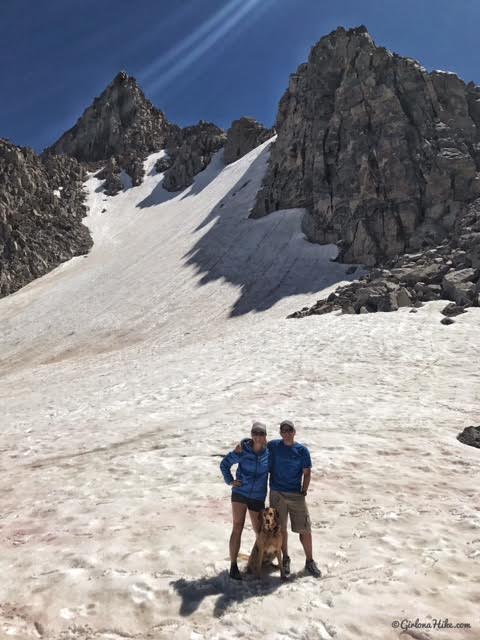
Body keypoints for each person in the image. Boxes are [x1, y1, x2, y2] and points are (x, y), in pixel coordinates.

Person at [268, 420, 321, 578]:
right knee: (281, 529)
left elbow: (307, 473)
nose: (287, 432)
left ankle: (310, 561)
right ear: (280, 432)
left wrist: (303, 491)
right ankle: (285, 559)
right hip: (277, 493)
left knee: (305, 528)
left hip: (295, 493)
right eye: (283, 430)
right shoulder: (274, 446)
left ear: (294, 431)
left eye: (289, 429)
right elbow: (258, 445)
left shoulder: (302, 450)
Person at [220, 421, 269, 580]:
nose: (257, 436)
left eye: (261, 433)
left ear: (265, 436)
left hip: (257, 495)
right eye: (255, 433)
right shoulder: (243, 450)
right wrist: (230, 480)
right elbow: (225, 464)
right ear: (251, 434)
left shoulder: (269, 453)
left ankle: (259, 561)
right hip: (240, 492)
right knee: (237, 527)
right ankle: (233, 566)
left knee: (259, 531)